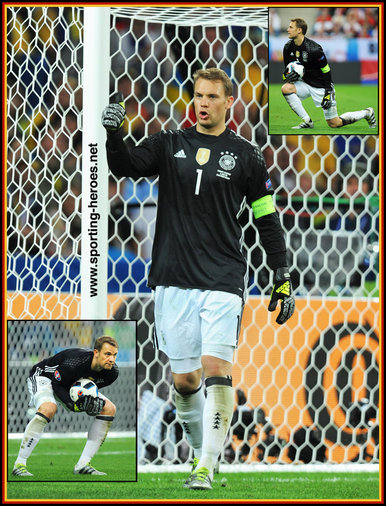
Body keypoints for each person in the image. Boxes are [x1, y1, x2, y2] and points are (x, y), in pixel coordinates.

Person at [102, 68, 295, 490]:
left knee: (216, 369)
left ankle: (206, 465)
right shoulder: (170, 143)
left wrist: (282, 273)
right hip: (174, 277)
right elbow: (125, 166)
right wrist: (114, 133)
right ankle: (201, 452)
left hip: (224, 278)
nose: (202, 103)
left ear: (230, 102)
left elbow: (266, 217)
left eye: (211, 96)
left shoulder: (246, 155)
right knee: (185, 381)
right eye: (198, 95)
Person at [12, 335, 119, 477]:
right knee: (49, 408)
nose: (111, 359)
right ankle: (19, 464)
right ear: (96, 352)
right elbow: (57, 384)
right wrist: (73, 405)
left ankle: (83, 465)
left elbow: (87, 389)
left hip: (71, 382)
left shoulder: (112, 373)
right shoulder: (75, 362)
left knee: (109, 408)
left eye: (114, 355)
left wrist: (87, 403)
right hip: (44, 377)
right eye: (107, 354)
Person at [281, 18, 376, 130]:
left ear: (299, 30)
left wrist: (327, 92)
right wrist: (285, 76)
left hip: (321, 86)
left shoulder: (314, 49)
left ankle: (367, 113)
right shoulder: (287, 47)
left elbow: (326, 70)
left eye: (291, 27)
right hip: (304, 84)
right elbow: (287, 71)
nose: (288, 29)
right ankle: (307, 121)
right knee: (286, 88)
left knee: (334, 123)